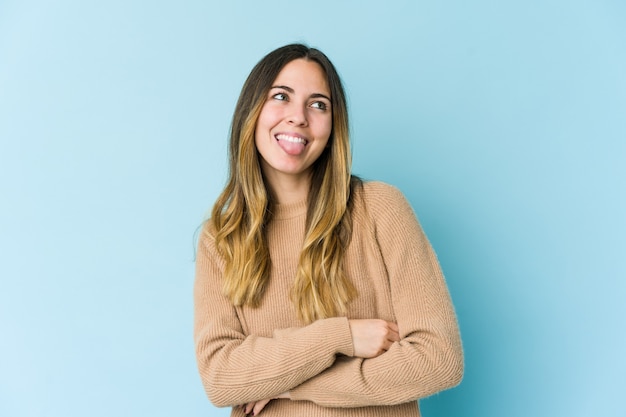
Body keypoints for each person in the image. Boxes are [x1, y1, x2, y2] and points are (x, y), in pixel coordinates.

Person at [194, 43, 463, 417]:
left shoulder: (379, 208)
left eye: (318, 104)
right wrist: (344, 337)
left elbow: (438, 358)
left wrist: (288, 384)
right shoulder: (220, 238)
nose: (298, 117)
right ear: (251, 111)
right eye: (281, 97)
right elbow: (221, 379)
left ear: (334, 125)